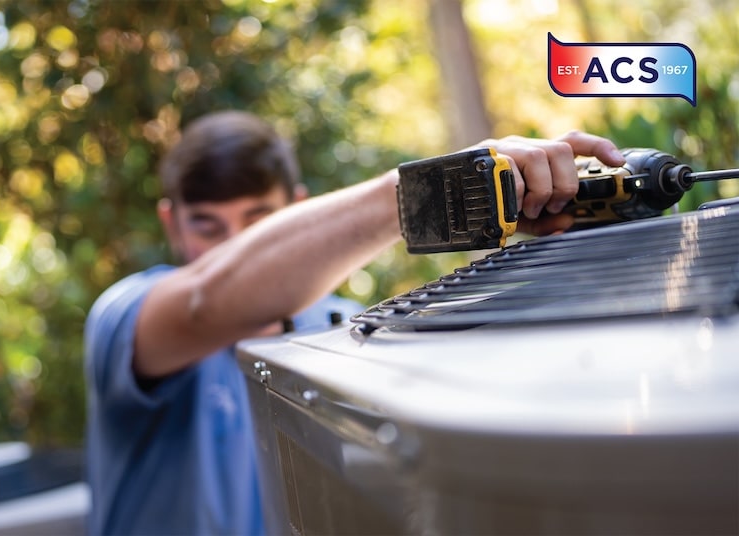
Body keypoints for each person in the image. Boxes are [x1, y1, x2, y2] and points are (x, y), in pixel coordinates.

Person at [84, 110, 625, 535]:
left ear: (298, 208)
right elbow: (208, 298)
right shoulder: (125, 317)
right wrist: (434, 190)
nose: (236, 248)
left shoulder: (343, 327)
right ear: (170, 224)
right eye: (208, 227)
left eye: (259, 223)